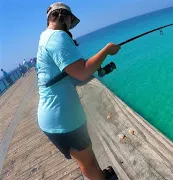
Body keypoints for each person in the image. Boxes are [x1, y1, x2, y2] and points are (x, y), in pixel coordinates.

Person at [36, 2, 120, 180]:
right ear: (63, 17)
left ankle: (100, 175)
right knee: (87, 163)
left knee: (86, 158)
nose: (70, 28)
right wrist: (106, 50)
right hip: (63, 119)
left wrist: (91, 68)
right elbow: (82, 72)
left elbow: (72, 71)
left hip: (55, 117)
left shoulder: (45, 37)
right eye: (70, 21)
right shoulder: (57, 37)